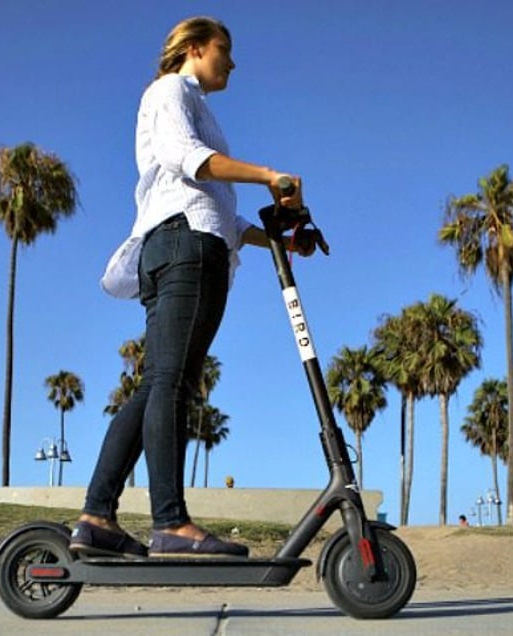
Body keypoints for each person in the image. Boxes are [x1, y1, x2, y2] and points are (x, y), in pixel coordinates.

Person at [69, 16, 314, 559]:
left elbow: (214, 207)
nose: (231, 62)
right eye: (224, 49)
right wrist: (270, 175)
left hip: (181, 242)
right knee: (172, 384)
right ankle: (170, 524)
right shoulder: (171, 90)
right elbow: (190, 160)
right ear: (196, 48)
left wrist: (275, 241)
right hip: (185, 248)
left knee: (158, 382)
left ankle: (96, 517)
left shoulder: (189, 102)